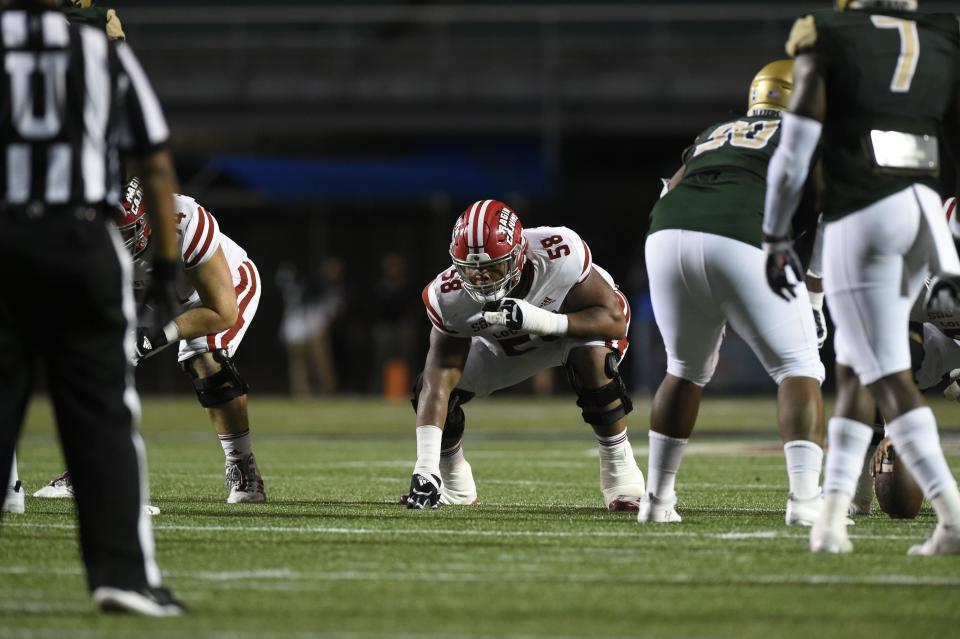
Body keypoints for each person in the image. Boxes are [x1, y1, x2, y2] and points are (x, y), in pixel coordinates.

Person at [0, 0, 186, 615]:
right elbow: (154, 163)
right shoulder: (103, 53)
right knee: (103, 412)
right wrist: (163, 265)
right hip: (80, 239)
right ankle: (122, 577)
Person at [762, 0, 960, 554]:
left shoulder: (826, 32)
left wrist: (776, 235)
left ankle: (949, 514)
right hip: (923, 206)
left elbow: (796, 151)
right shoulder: (944, 36)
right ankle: (830, 522)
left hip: (861, 208)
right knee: (865, 371)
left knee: (874, 376)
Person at [642, 60, 827, 525]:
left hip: (665, 235)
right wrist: (815, 295)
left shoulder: (716, 130)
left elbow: (670, 190)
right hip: (740, 232)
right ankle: (806, 504)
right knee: (799, 366)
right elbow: (830, 213)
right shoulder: (812, 133)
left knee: (683, 370)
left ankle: (657, 502)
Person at [33, 178, 266, 504]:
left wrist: (150, 338)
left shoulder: (185, 221)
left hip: (220, 291)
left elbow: (222, 311)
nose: (115, 240)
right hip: (153, 299)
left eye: (123, 231)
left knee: (203, 355)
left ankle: (243, 468)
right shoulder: (85, 232)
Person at [402, 199, 644, 511]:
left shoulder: (558, 252)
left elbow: (615, 321)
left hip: (572, 330)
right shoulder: (447, 295)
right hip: (505, 348)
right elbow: (441, 374)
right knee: (426, 388)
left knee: (594, 363)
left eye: (492, 268)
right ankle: (453, 485)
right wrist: (425, 467)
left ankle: (621, 477)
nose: (482, 279)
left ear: (518, 254)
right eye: (471, 270)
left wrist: (538, 319)